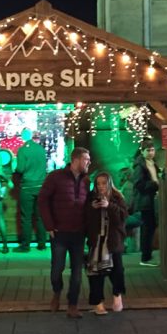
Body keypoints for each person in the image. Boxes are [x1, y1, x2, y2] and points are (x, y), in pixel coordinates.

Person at [37, 146, 91, 318]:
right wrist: (49, 225)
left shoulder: (86, 180)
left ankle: (72, 304)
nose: (89, 162)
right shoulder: (55, 177)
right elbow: (42, 199)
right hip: (59, 232)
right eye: (86, 159)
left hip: (78, 233)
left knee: (77, 270)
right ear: (75, 160)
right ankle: (57, 292)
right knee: (57, 268)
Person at [85, 171, 128, 315]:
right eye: (98, 184)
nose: (101, 186)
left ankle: (117, 297)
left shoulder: (117, 197)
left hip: (112, 240)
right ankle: (98, 303)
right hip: (96, 241)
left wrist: (109, 205)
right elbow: (86, 219)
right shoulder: (91, 197)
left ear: (109, 183)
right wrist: (92, 209)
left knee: (117, 270)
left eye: (103, 183)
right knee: (95, 273)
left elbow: (122, 218)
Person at [14, 135, 49, 252]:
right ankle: (42, 243)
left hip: (27, 186)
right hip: (41, 186)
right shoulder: (41, 149)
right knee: (40, 217)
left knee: (26, 218)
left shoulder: (22, 150)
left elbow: (20, 169)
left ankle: (25, 246)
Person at [130, 142, 160, 267]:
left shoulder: (152, 163)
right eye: (148, 150)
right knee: (147, 228)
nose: (151, 152)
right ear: (142, 151)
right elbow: (138, 184)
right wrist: (155, 184)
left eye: (153, 150)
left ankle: (147, 255)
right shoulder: (140, 166)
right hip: (145, 202)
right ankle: (145, 257)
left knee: (151, 227)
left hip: (151, 200)